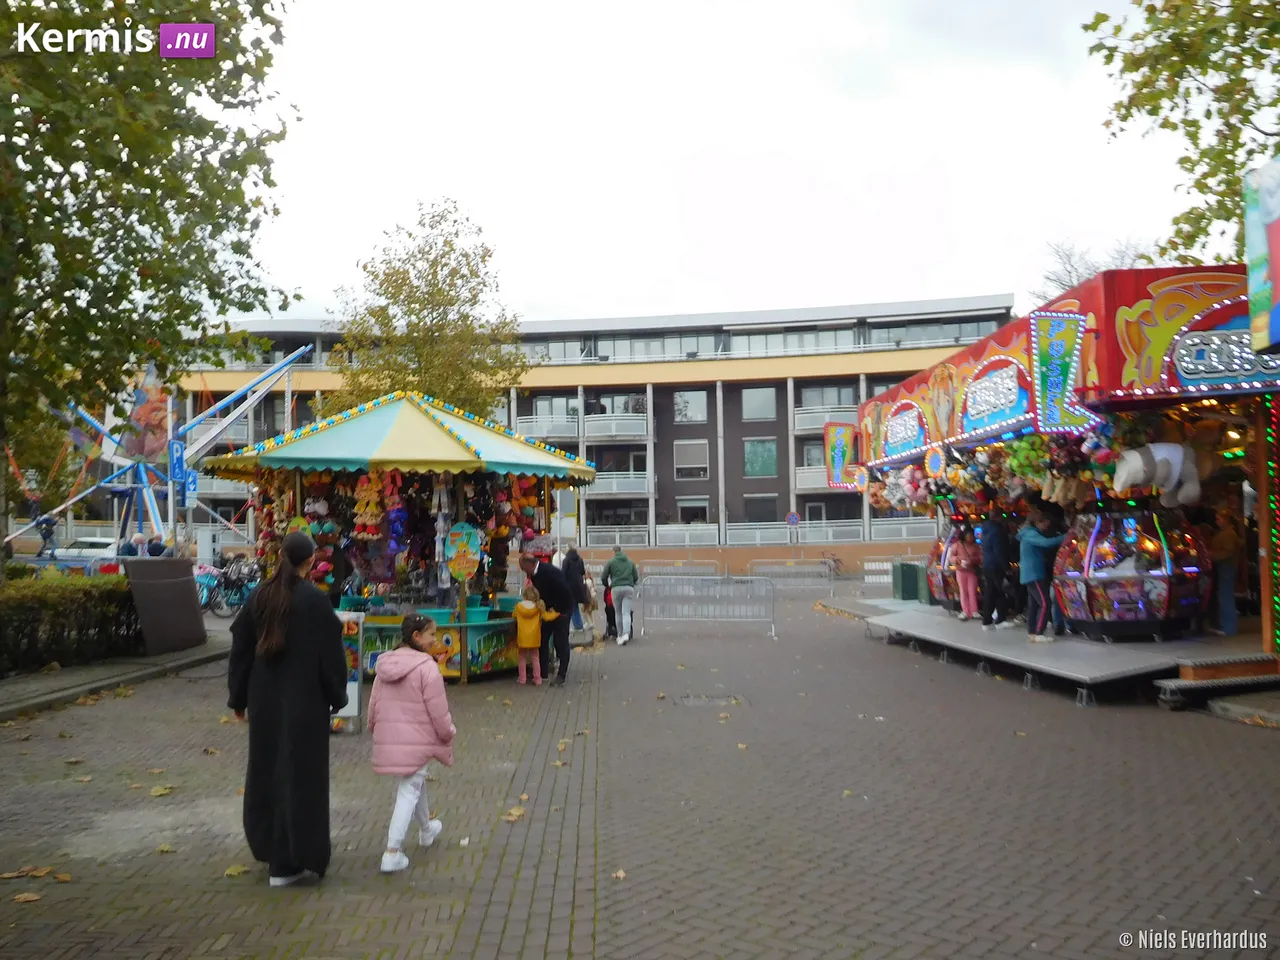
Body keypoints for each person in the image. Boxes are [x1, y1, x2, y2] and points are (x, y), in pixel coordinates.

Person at [227, 532, 348, 887]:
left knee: (266, 770)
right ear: (311, 562)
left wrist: (238, 698)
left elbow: (241, 649)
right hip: (305, 703)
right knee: (301, 776)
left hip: (264, 700)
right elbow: (332, 655)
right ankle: (296, 856)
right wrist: (337, 696)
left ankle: (272, 850)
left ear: (280, 555)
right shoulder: (314, 602)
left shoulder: (259, 595)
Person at [367, 613, 455, 874]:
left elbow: (373, 704)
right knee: (409, 790)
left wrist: (376, 729)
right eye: (431, 635)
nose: (434, 640)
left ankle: (427, 831)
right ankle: (392, 852)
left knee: (414, 784)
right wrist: (448, 732)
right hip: (418, 739)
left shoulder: (384, 664)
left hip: (393, 737)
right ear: (416, 637)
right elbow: (438, 711)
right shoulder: (427, 668)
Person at [518, 553, 574, 686]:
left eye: (523, 567)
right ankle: (542, 672)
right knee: (542, 638)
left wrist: (557, 609)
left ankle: (561, 674)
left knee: (560, 641)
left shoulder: (549, 572)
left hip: (562, 609)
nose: (522, 571)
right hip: (548, 610)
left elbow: (564, 590)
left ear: (529, 564)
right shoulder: (534, 574)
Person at [1017, 512, 1066, 643]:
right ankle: (1039, 632)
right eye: (1045, 523)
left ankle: (1032, 631)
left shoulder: (1027, 533)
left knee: (1033, 604)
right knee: (1045, 603)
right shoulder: (1031, 534)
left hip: (1029, 574)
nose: (1046, 526)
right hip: (1034, 574)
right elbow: (1046, 543)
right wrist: (1066, 537)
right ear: (1038, 522)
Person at [513, 585, 557, 685]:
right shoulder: (538, 608)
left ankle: (522, 679)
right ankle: (537, 679)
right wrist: (556, 613)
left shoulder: (519, 606)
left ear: (524, 596)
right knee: (535, 657)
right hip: (534, 637)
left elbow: (514, 615)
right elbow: (547, 617)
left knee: (522, 657)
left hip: (522, 637)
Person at [1209, 510, 1241, 637]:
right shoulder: (1225, 533)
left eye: (1219, 519)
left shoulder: (1229, 534)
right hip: (1224, 567)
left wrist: (1213, 556)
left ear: (1226, 520)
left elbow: (1228, 552)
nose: (1217, 522)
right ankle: (1226, 626)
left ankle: (1229, 628)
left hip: (1227, 567)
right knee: (1224, 596)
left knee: (1226, 597)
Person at [600, 545, 639, 645]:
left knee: (618, 612)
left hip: (616, 588)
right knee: (626, 612)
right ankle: (626, 634)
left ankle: (620, 635)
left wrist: (607, 585)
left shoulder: (611, 562)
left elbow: (603, 576)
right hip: (628, 588)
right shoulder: (630, 562)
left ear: (613, 552)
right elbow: (636, 576)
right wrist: (631, 583)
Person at [979, 512, 1010, 631]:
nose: (1003, 518)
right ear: (997, 517)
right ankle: (1000, 619)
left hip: (987, 565)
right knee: (1000, 592)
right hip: (996, 566)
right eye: (1002, 515)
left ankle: (986, 621)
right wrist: (1006, 567)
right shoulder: (997, 531)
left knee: (990, 593)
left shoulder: (985, 529)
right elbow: (999, 551)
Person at [950, 529, 981, 621]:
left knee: (972, 591)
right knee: (963, 591)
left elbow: (980, 557)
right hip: (960, 571)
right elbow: (951, 557)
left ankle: (974, 611)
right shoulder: (956, 545)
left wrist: (972, 560)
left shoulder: (975, 546)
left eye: (972, 536)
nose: (971, 538)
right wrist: (958, 560)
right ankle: (965, 611)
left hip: (971, 570)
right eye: (969, 536)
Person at [560, 546, 588, 632]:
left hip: (569, 586)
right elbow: (583, 572)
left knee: (572, 607)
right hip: (578, 586)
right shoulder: (580, 559)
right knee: (574, 607)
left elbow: (563, 573)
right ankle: (578, 625)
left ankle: (578, 626)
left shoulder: (566, 560)